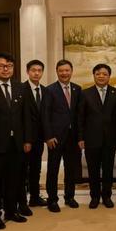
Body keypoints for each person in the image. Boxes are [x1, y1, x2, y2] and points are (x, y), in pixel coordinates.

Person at [0, 52, 28, 228]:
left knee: (13, 180)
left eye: (9, 66)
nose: (5, 69)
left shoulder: (19, 87)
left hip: (16, 143)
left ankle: (11, 211)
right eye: (1, 66)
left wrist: (26, 140)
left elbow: (25, 116)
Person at [78, 64, 116, 209]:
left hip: (110, 139)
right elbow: (80, 118)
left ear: (109, 76)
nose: (101, 76)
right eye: (98, 74)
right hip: (91, 139)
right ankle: (95, 197)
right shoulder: (85, 93)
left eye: (104, 74)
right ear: (94, 76)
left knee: (108, 170)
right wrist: (80, 137)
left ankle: (107, 196)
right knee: (93, 170)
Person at [42, 59, 82, 212]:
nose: (64, 73)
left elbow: (79, 115)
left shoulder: (77, 89)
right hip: (55, 138)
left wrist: (80, 137)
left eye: (67, 70)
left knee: (71, 169)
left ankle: (70, 197)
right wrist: (48, 136)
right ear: (57, 72)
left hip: (73, 137)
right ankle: (52, 200)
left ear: (71, 71)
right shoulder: (49, 90)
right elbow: (45, 115)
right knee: (53, 169)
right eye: (61, 71)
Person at [21, 59, 48, 209]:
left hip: (39, 138)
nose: (36, 73)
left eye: (39, 70)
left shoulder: (45, 90)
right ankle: (21, 201)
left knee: (36, 169)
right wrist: (26, 139)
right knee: (22, 170)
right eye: (33, 70)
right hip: (24, 138)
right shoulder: (20, 89)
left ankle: (35, 197)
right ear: (28, 72)